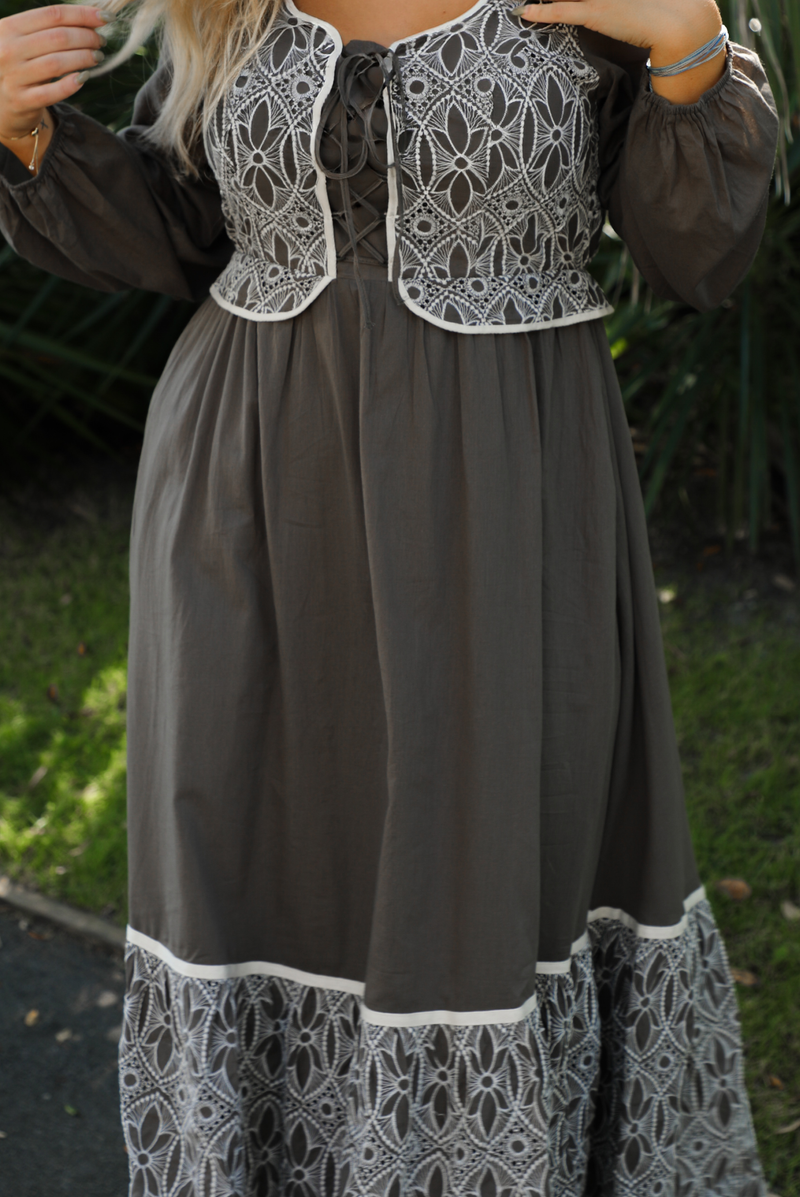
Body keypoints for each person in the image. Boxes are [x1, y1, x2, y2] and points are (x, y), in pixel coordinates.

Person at [0, 0, 779, 1193]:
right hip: (244, 513)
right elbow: (185, 233)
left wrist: (682, 42)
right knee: (252, 869)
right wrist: (25, 134)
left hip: (506, 520)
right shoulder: (231, 7)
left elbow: (696, 253)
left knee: (478, 876)